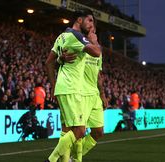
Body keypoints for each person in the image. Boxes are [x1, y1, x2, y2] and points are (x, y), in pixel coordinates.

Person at [45, 9, 101, 162]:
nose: (91, 25)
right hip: (72, 88)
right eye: (89, 21)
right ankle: (51, 159)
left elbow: (49, 63)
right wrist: (93, 40)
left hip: (62, 87)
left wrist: (53, 85)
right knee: (80, 131)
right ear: (79, 20)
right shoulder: (77, 36)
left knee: (67, 130)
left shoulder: (61, 36)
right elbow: (96, 52)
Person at [57, 24, 107, 162]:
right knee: (78, 131)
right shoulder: (79, 44)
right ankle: (61, 158)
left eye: (94, 30)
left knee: (99, 132)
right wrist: (61, 58)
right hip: (80, 92)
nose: (92, 32)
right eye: (90, 30)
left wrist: (102, 94)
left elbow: (98, 74)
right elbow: (63, 59)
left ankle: (70, 157)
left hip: (94, 95)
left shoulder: (98, 51)